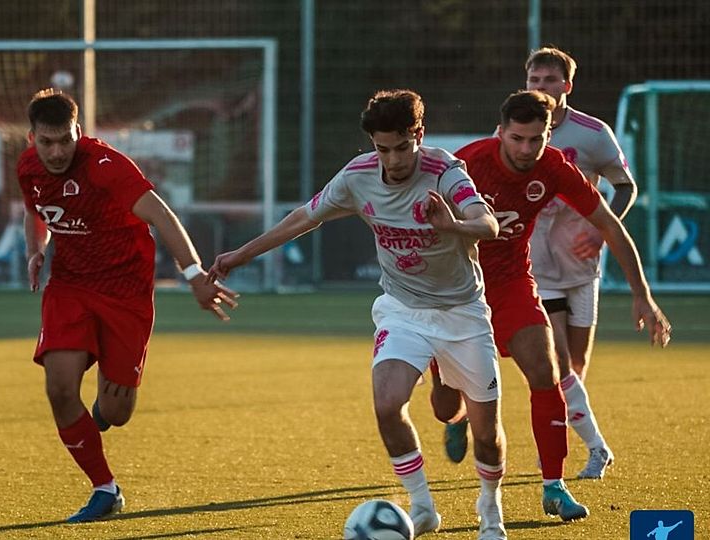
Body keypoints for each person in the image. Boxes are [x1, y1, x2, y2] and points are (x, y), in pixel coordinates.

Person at [209, 90, 509, 539]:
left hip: (461, 313)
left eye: (402, 147)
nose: (392, 159)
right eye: (382, 148)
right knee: (387, 404)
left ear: (418, 137)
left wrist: (452, 225)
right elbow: (302, 219)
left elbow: (488, 225)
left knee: (484, 432)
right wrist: (243, 254)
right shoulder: (357, 177)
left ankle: (490, 508)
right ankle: (422, 506)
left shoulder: (445, 171)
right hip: (402, 308)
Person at [428, 90, 671, 523]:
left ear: (547, 135)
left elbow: (610, 227)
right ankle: (459, 412)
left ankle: (554, 487)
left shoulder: (555, 167)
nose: (526, 149)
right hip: (457, 290)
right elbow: (425, 220)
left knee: (547, 371)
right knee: (446, 407)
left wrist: (643, 294)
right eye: (517, 139)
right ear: (501, 132)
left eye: (535, 140)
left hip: (512, 284)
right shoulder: (467, 163)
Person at [17, 88, 238, 523]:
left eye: (66, 139)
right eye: (47, 142)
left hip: (125, 292)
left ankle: (100, 412)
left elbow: (162, 216)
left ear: (78, 131)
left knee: (117, 414)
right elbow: (35, 211)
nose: (58, 151)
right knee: (59, 388)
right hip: (70, 287)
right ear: (32, 139)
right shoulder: (28, 168)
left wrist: (193, 275)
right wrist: (35, 249)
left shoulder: (105, 167)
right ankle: (105, 489)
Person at [524, 46, 638, 479]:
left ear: (566, 86)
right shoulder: (517, 129)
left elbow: (625, 187)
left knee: (576, 365)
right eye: (534, 81)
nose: (541, 89)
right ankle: (581, 445)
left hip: (582, 262)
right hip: (536, 264)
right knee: (553, 361)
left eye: (550, 81)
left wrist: (602, 229)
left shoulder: (593, 133)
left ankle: (569, 435)